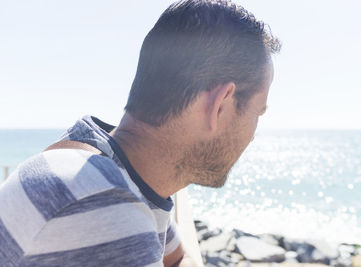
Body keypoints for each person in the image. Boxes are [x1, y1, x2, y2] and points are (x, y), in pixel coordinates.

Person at [0, 0, 280, 266]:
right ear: (220, 105)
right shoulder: (104, 211)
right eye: (257, 113)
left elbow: (179, 259)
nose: (253, 135)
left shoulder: (110, 165)